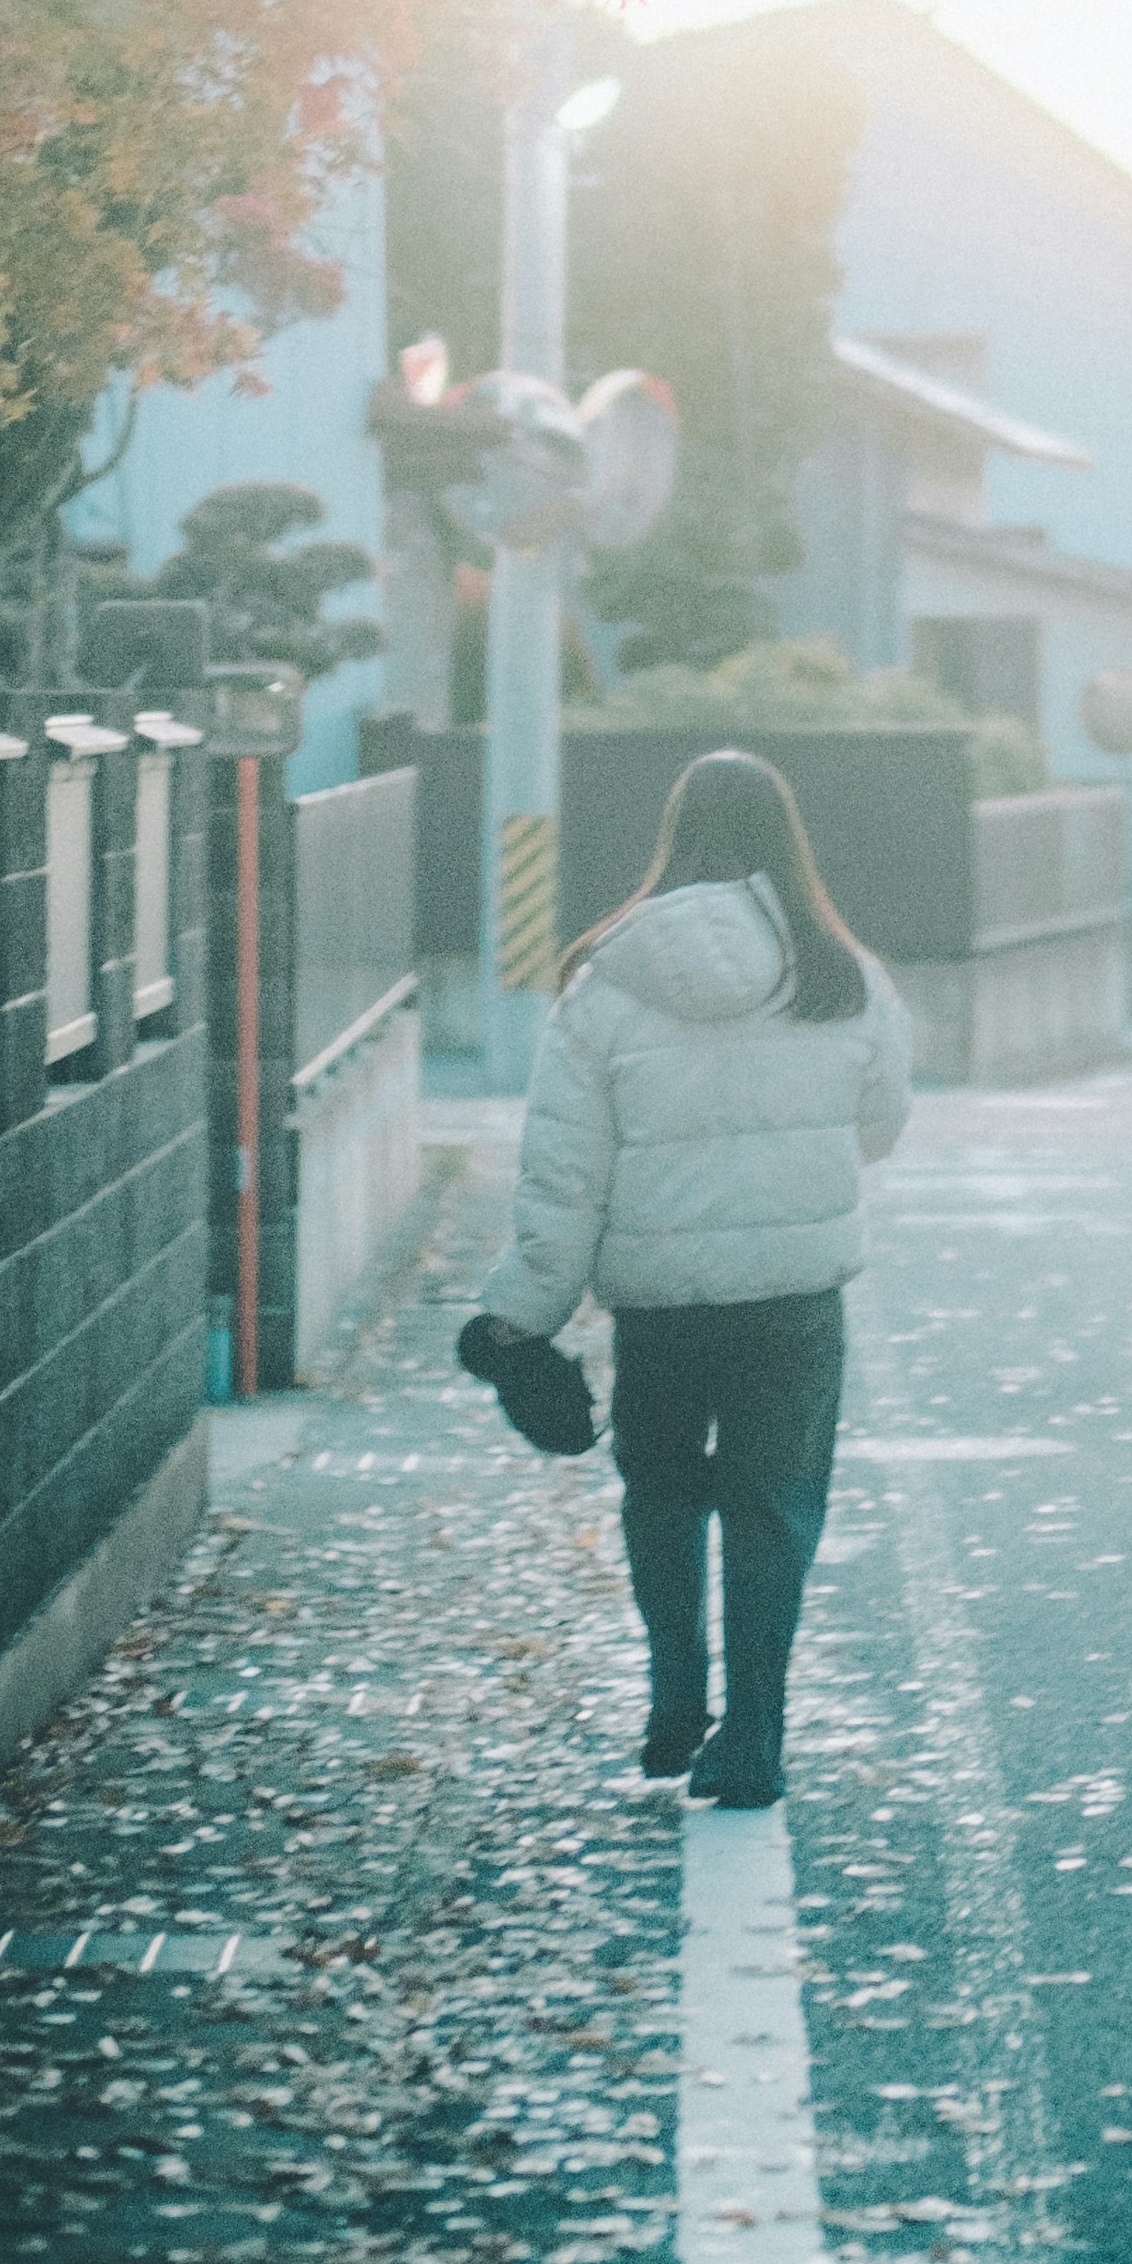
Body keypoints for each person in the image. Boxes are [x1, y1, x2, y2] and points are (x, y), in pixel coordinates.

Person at [459, 747, 914, 1808]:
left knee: (660, 1494)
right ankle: (753, 1735)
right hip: (795, 1301)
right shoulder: (842, 973)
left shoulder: (605, 982)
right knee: (773, 1509)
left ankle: (675, 1706)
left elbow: (564, 1173)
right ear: (787, 842)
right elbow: (881, 1126)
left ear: (676, 837)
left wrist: (521, 1315)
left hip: (660, 1308)